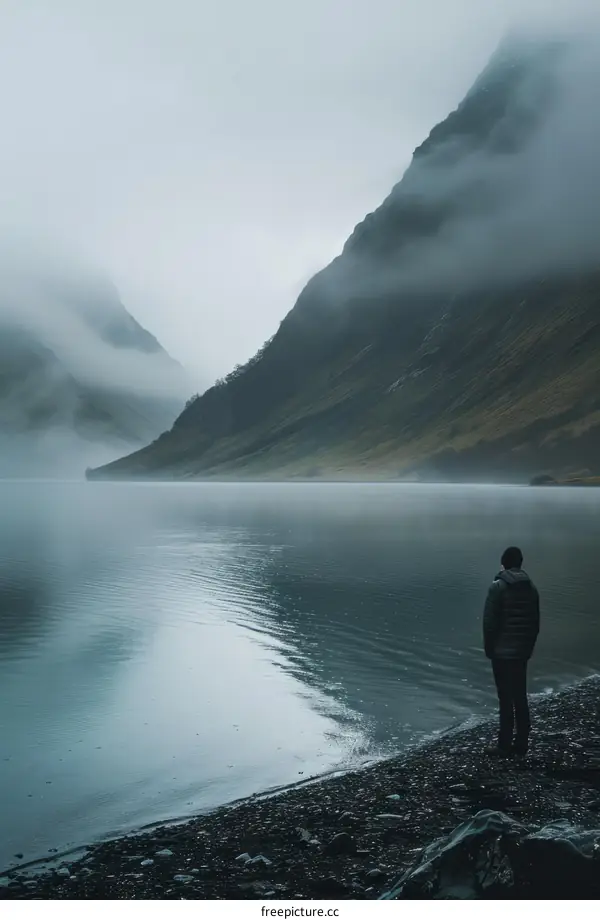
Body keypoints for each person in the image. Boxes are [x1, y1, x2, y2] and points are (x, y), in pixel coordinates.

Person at [483, 546, 540, 757]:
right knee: (520, 696)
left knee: (505, 698)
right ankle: (522, 744)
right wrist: (528, 648)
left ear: (503, 564)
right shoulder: (531, 587)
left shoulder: (497, 587)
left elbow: (489, 623)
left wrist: (490, 649)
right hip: (521, 652)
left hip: (501, 653)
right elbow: (535, 623)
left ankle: (504, 745)